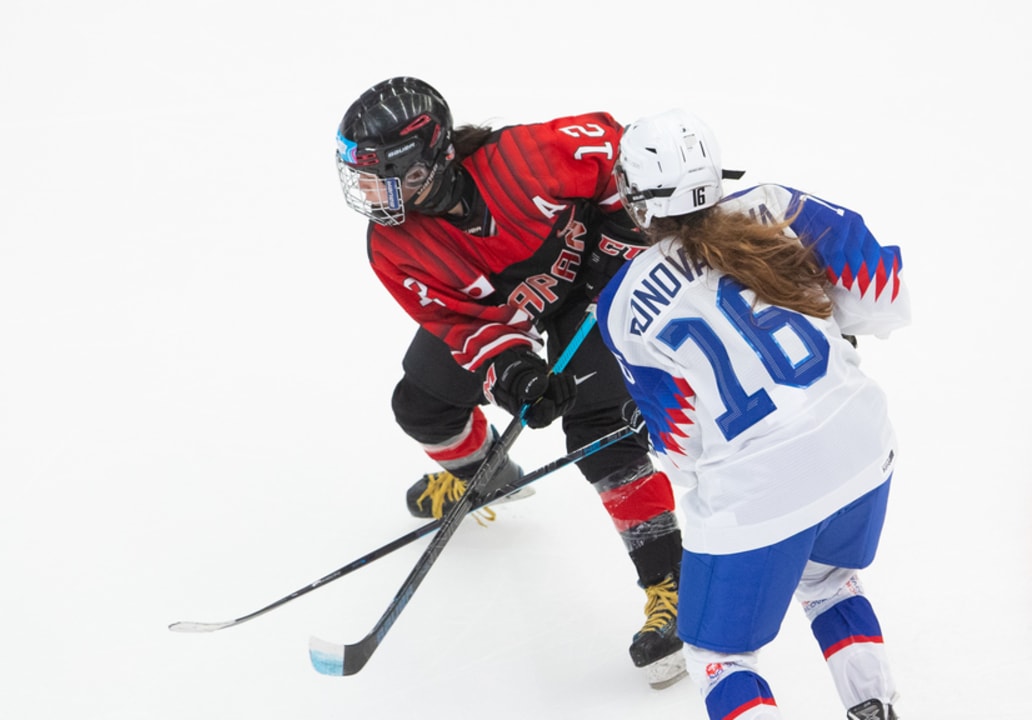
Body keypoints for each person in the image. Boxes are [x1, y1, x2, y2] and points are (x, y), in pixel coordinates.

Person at [334, 76, 686, 689]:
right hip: (518, 311)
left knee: (599, 429)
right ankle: (486, 477)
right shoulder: (395, 245)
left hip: (598, 291)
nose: (368, 192)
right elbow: (458, 323)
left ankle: (673, 585)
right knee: (420, 406)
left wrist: (621, 233)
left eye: (381, 175)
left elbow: (628, 154)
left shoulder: (530, 156)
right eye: (359, 176)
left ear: (431, 160)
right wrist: (514, 370)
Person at [598, 108, 910, 720]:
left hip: (757, 487)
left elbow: (682, 446)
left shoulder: (621, 303)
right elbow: (884, 293)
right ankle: (876, 709)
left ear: (639, 203)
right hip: (861, 442)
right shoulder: (777, 205)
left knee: (719, 658)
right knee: (828, 582)